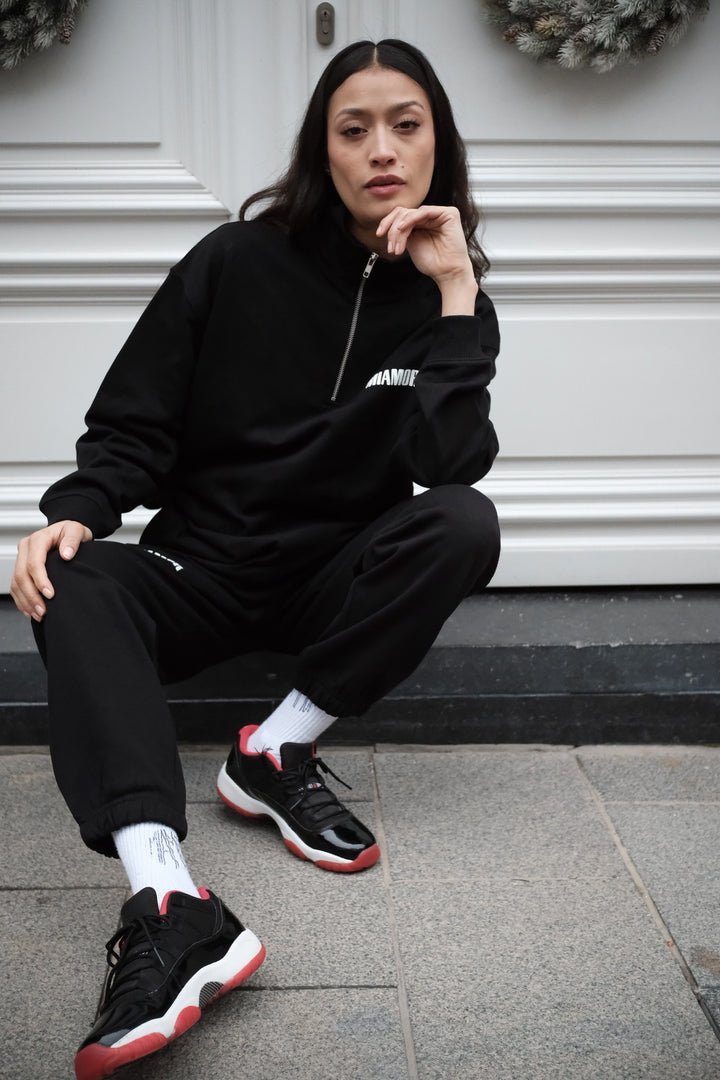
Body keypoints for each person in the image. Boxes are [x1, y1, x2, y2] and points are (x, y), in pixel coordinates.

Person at [10, 38, 501, 1080]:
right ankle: (171, 900)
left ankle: (274, 751)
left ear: (439, 144)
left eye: (406, 125)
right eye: (354, 129)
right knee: (70, 576)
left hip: (327, 587)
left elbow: (449, 462)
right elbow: (135, 419)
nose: (381, 150)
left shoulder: (450, 304)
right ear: (322, 150)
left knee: (464, 522)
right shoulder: (235, 261)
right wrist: (79, 511)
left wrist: (456, 292)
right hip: (198, 573)